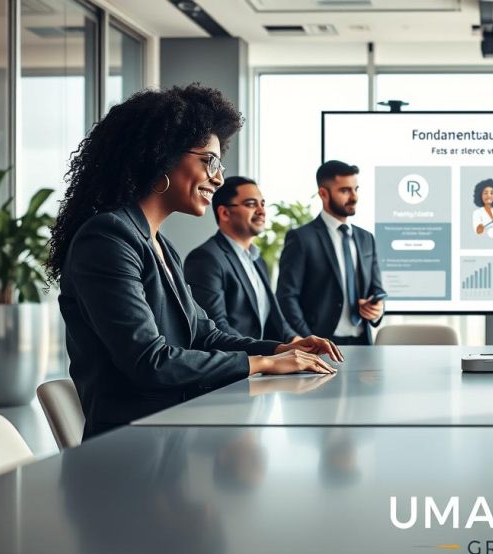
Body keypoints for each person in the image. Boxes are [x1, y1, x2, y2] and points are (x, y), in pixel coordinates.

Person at [47, 85, 343, 439]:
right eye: (209, 161)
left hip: (174, 433)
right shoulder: (107, 239)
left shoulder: (160, 245)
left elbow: (204, 334)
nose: (218, 177)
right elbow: (149, 362)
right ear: (160, 155)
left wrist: (281, 349)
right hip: (131, 449)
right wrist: (263, 363)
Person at [277, 160, 386, 345]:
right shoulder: (301, 238)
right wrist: (308, 339)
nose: (354, 197)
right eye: (345, 191)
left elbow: (376, 289)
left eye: (356, 189)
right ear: (323, 194)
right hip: (321, 342)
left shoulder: (367, 238)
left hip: (363, 341)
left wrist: (377, 309)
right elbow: (286, 297)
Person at [184, 176, 299, 342]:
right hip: (236, 363)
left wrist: (298, 341)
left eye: (262, 203)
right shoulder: (206, 259)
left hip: (261, 361)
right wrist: (270, 353)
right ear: (224, 213)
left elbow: (275, 319)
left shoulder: (258, 260)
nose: (261, 211)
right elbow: (216, 326)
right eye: (251, 204)